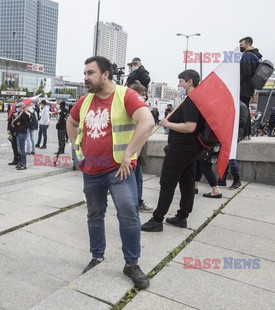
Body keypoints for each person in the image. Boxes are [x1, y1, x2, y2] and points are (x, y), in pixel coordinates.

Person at [66, 56, 154, 289]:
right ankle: (97, 256)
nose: (85, 77)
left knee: (128, 213)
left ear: (105, 74)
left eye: (90, 73)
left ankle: (132, 264)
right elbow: (71, 123)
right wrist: (77, 149)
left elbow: (147, 122)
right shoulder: (84, 100)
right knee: (94, 215)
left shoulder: (126, 95)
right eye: (84, 73)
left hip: (119, 170)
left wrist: (128, 155)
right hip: (91, 170)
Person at [141, 69, 204, 232]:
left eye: (181, 81)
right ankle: (182, 216)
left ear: (190, 82)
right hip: (192, 148)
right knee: (187, 181)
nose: (179, 84)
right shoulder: (198, 99)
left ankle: (157, 219)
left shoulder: (192, 100)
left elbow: (190, 127)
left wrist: (167, 124)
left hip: (181, 149)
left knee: (167, 182)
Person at [129, 80, 154, 212]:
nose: (144, 96)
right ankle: (136, 202)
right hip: (133, 151)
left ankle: (136, 201)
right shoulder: (134, 109)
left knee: (136, 177)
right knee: (135, 178)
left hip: (136, 150)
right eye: (142, 94)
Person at [239, 36, 262, 139]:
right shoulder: (255, 55)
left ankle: (244, 133)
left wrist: (238, 82)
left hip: (244, 87)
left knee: (243, 110)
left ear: (247, 44)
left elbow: (246, 72)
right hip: (250, 87)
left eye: (241, 45)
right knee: (246, 109)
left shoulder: (247, 55)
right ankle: (247, 134)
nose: (240, 47)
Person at [12, 102, 29, 170]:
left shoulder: (23, 114)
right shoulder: (21, 113)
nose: (17, 108)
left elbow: (15, 121)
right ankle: (20, 162)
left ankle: (23, 164)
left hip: (22, 133)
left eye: (18, 107)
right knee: (20, 149)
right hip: (20, 132)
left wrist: (16, 121)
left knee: (22, 149)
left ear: (21, 107)